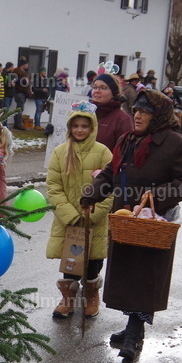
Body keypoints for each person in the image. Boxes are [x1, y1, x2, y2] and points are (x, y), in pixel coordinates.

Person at [80, 91, 182, 363]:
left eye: (144, 112)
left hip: (153, 222)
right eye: (136, 110)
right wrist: (92, 192)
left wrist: (154, 198)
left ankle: (135, 334)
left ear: (157, 116)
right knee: (127, 276)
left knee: (145, 277)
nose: (137, 115)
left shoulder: (175, 144)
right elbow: (111, 173)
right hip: (125, 219)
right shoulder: (127, 141)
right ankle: (131, 327)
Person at [46, 103, 113, 319]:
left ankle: (91, 295)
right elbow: (53, 187)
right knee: (71, 262)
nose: (80, 130)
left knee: (93, 262)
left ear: (92, 128)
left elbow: (110, 187)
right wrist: (70, 215)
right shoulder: (60, 153)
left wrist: (94, 214)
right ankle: (68, 298)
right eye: (75, 126)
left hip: (94, 221)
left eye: (84, 126)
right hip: (70, 221)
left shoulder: (103, 153)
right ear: (70, 128)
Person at [89, 73, 132, 151]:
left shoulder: (122, 119)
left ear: (113, 93)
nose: (97, 91)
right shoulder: (86, 113)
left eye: (103, 88)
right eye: (95, 87)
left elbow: (125, 151)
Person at [11, 57, 33, 130]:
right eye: (27, 64)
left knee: (20, 108)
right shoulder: (17, 71)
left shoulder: (25, 72)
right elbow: (14, 80)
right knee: (20, 108)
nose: (28, 66)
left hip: (24, 92)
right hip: (19, 92)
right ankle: (19, 124)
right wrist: (23, 81)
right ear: (23, 65)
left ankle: (17, 123)